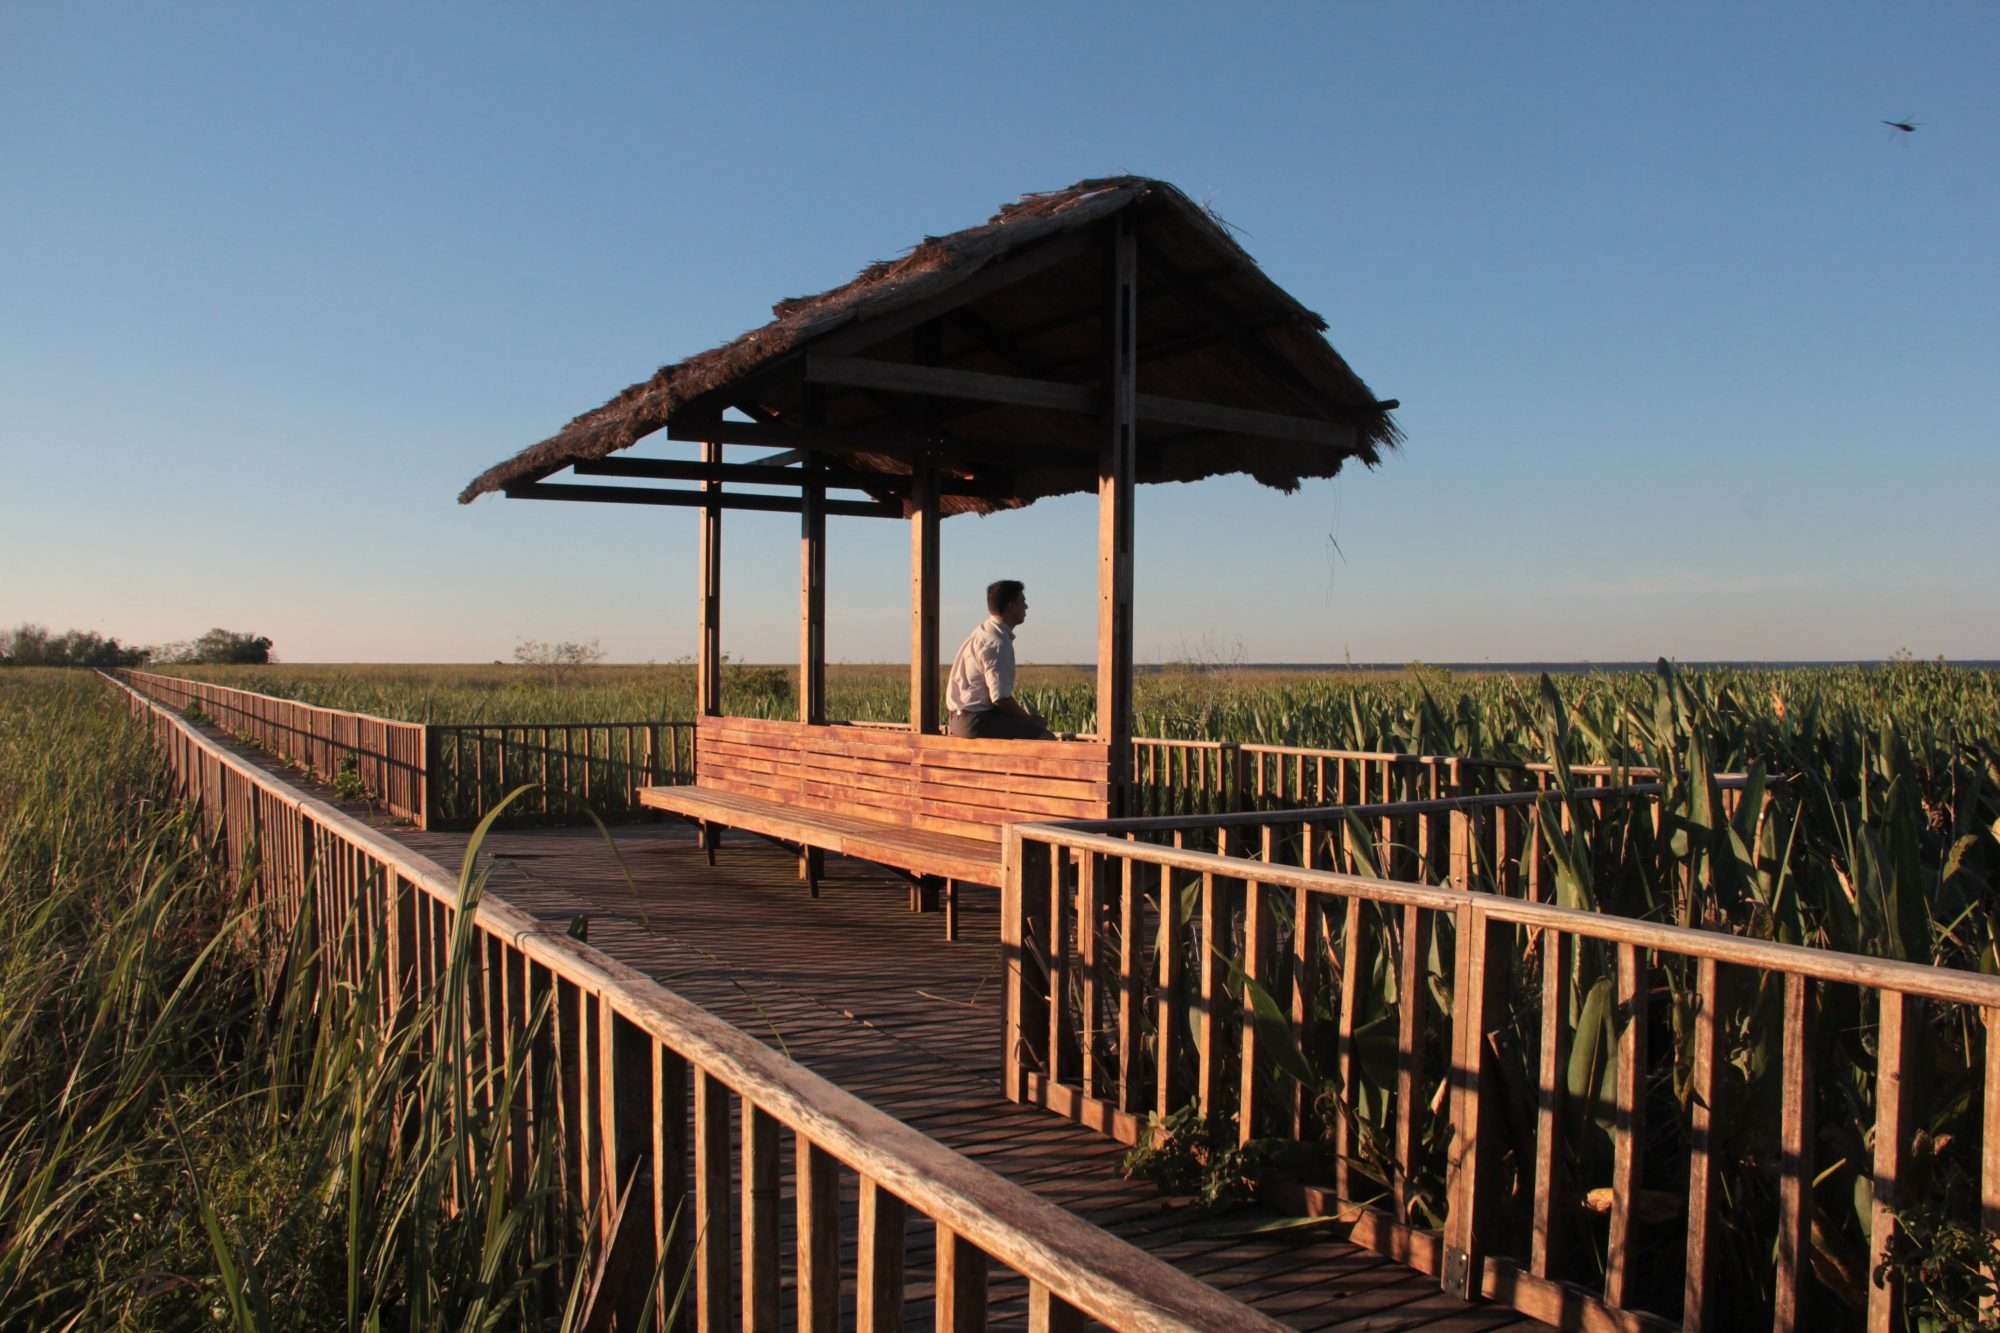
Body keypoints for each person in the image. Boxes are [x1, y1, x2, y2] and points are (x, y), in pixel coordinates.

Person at [945, 579, 1055, 740]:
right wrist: (1029, 720)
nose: (1026, 607)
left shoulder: (983, 631)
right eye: (1022, 601)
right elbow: (1000, 698)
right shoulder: (997, 642)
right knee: (1046, 739)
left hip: (960, 718)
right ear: (1011, 606)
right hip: (975, 721)